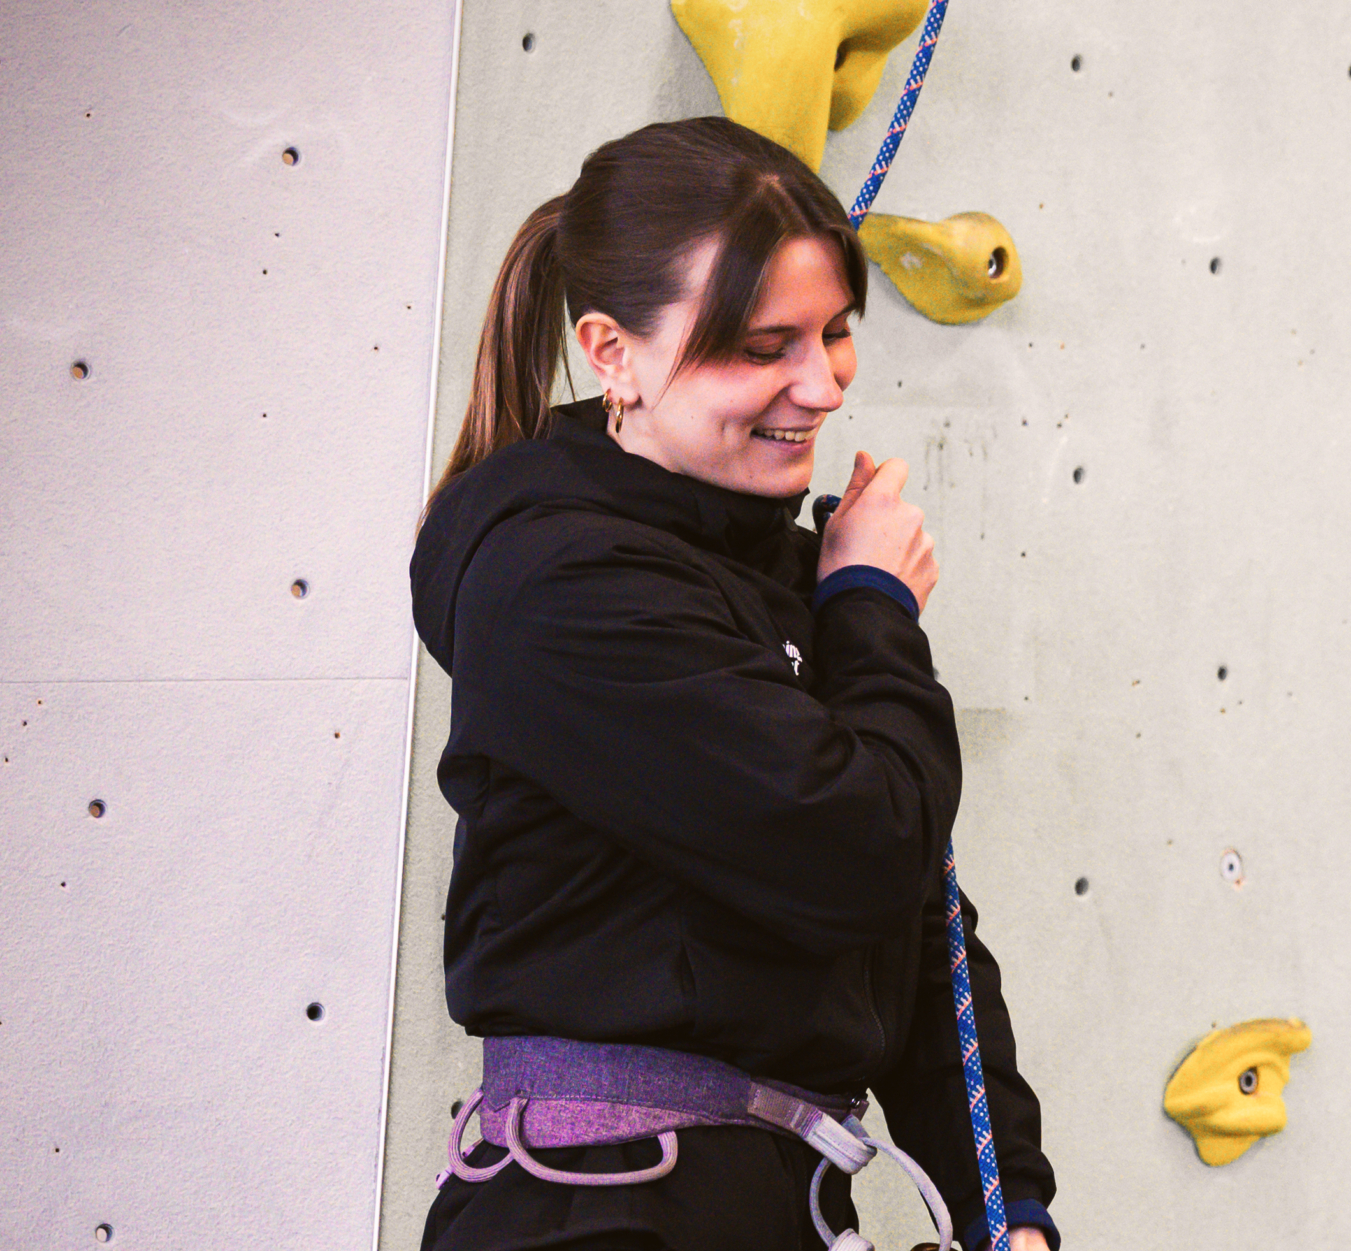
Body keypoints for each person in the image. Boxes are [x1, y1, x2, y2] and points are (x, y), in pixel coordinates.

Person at [410, 117, 1057, 1251]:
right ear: (613, 352)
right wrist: (872, 612)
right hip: (606, 1212)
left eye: (837, 334)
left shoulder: (781, 572)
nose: (820, 386)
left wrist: (1011, 1215)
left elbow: (915, 923)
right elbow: (856, 848)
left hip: (761, 1200)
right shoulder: (558, 581)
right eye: (765, 347)